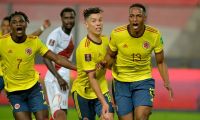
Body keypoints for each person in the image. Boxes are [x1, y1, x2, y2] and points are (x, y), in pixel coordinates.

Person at [101, 3, 174, 120]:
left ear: (144, 18)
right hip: (121, 82)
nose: (135, 19)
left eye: (138, 16)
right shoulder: (117, 34)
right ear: (129, 17)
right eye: (132, 16)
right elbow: (110, 56)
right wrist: (104, 64)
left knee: (141, 116)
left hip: (143, 80)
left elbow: (160, 62)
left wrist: (167, 82)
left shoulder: (154, 35)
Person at [0, 11, 76, 120]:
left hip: (33, 90)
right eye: (14, 22)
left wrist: (79, 68)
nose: (18, 24)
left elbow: (57, 58)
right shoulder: (2, 43)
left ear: (26, 24)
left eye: (21, 21)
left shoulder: (34, 42)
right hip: (14, 93)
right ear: (11, 26)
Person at [71, 7, 114, 120]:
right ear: (86, 24)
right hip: (83, 93)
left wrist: (107, 62)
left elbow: (110, 64)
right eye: (94, 21)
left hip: (102, 88)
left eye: (100, 20)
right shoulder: (85, 48)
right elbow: (92, 78)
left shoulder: (105, 40)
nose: (98, 24)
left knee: (108, 117)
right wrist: (104, 102)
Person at [0, 16, 51, 92]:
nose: (6, 28)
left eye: (8, 26)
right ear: (1, 27)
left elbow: (31, 38)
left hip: (14, 78)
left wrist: (42, 28)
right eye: (4, 26)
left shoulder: (16, 39)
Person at [43, 7, 76, 120]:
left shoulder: (70, 35)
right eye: (66, 18)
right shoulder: (55, 35)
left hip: (64, 78)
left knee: (63, 113)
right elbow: (46, 57)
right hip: (55, 78)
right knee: (59, 114)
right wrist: (59, 78)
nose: (69, 21)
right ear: (61, 19)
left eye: (71, 17)